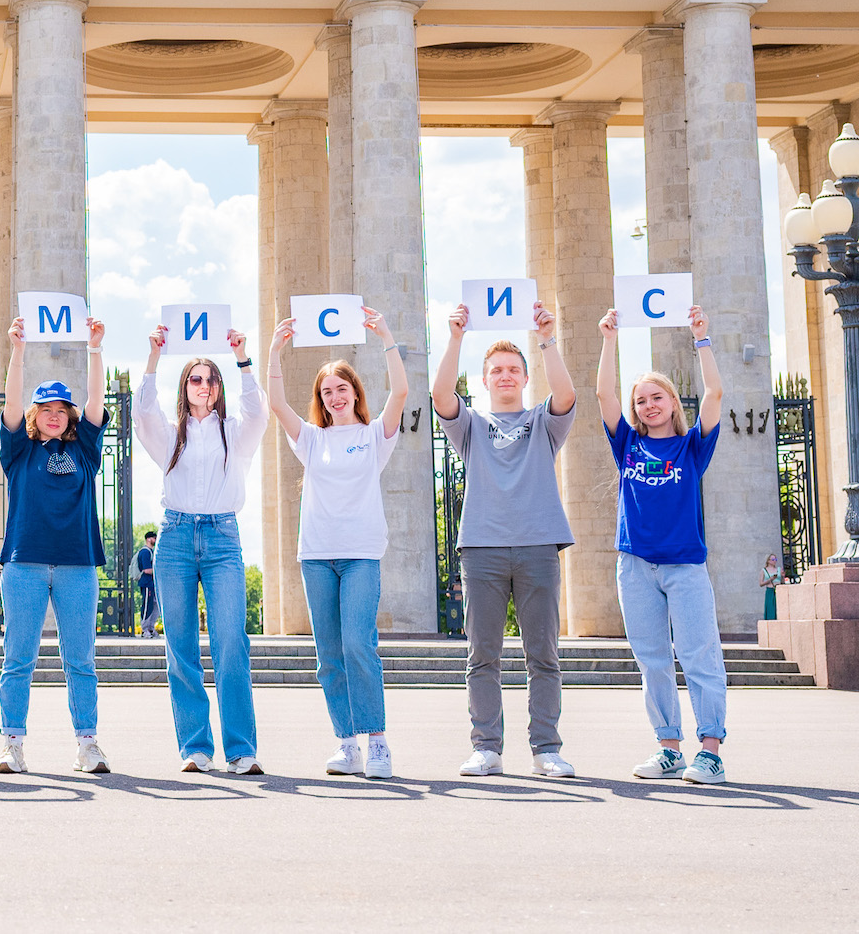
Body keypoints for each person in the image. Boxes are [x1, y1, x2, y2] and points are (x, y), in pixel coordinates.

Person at [432, 300, 578, 779]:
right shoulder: (472, 426)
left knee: (543, 655)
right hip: (482, 549)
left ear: (524, 377)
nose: (506, 375)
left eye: (514, 369)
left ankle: (546, 749)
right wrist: (455, 337)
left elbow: (567, 393)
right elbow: (439, 395)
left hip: (538, 547)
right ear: (485, 379)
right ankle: (487, 749)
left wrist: (547, 338)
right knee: (483, 655)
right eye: (496, 370)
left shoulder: (543, 423)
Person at [267, 306, 408, 780]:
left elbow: (403, 391)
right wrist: (273, 353)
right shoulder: (310, 439)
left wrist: (385, 334)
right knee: (328, 654)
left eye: (341, 389)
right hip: (317, 556)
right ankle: (346, 744)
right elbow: (277, 405)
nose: (334, 397)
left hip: (362, 555)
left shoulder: (374, 436)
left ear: (354, 393)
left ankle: (378, 742)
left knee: (357, 645)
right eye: (326, 392)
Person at [597, 304, 729, 786]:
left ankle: (709, 750)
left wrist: (701, 339)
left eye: (656, 398)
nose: (648, 406)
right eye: (641, 402)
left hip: (685, 567)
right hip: (635, 567)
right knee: (651, 657)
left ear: (672, 403)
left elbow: (714, 392)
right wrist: (609, 338)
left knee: (699, 654)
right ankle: (668, 747)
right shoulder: (627, 445)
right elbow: (603, 392)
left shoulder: (693, 446)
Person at [136, 325, 267, 774]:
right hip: (173, 538)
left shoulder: (237, 431)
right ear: (185, 386)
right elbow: (142, 411)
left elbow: (260, 412)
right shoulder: (170, 434)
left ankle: (241, 749)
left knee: (232, 641)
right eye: (196, 378)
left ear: (219, 388)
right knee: (181, 647)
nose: (205, 385)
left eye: (211, 379)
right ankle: (195, 746)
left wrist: (242, 359)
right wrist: (153, 358)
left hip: (222, 538)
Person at [0, 314, 110, 775]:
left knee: (80, 660)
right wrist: (18, 351)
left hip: (77, 565)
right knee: (18, 657)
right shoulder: (18, 450)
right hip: (24, 564)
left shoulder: (85, 450)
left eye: (62, 409)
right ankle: (12, 744)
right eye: (46, 410)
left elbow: (97, 400)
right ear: (34, 417)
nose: (54, 414)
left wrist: (95, 349)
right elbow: (10, 399)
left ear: (70, 418)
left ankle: (87, 744)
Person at [134, 532, 159, 637]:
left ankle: (151, 627)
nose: (155, 539)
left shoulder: (151, 552)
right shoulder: (145, 552)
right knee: (147, 606)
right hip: (146, 583)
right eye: (154, 538)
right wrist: (158, 570)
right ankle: (145, 629)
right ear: (148, 539)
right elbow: (147, 569)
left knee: (155, 606)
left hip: (152, 583)